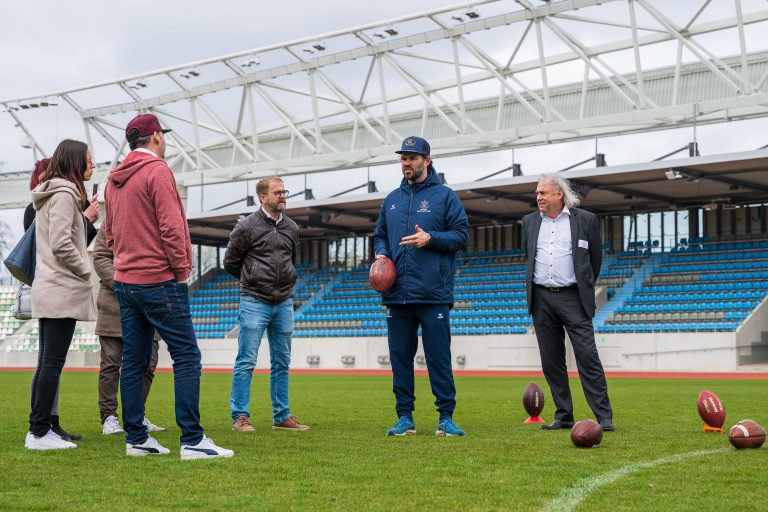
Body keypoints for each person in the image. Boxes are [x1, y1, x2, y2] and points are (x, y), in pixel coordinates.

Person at [104, 113, 233, 459]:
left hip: (126, 281)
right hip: (159, 279)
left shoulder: (112, 179)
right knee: (187, 356)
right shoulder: (157, 171)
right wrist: (181, 271)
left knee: (133, 361)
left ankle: (136, 439)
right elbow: (172, 228)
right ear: (157, 137)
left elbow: (110, 234)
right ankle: (192, 439)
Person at [373, 136, 469, 437]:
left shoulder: (445, 196)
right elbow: (379, 236)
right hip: (397, 296)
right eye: (403, 158)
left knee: (439, 358)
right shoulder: (391, 200)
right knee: (400, 358)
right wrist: (381, 255)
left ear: (426, 160)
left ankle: (445, 417)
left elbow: (462, 236)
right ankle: (405, 417)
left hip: (432, 294)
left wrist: (432, 238)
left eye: (412, 158)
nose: (406, 163)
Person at [522, 175, 614, 432]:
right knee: (551, 361)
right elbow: (529, 256)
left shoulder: (585, 219)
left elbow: (595, 260)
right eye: (537, 193)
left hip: (573, 297)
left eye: (543, 193)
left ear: (559, 194)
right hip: (541, 298)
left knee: (587, 357)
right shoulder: (529, 222)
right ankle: (564, 415)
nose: (538, 197)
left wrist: (581, 286)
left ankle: (604, 416)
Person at [26, 140, 97, 450]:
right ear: (74, 162)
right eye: (89, 160)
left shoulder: (52, 192)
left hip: (51, 285)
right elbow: (61, 243)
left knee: (47, 363)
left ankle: (42, 429)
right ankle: (39, 432)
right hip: (61, 288)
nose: (93, 166)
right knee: (52, 364)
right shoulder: (65, 194)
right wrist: (84, 270)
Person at [224, 176, 308, 432]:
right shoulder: (246, 227)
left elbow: (291, 259)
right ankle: (240, 416)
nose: (283, 196)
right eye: (277, 192)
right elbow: (230, 262)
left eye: (284, 191)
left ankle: (281, 416)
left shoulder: (292, 227)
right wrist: (252, 280)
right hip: (254, 300)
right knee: (246, 361)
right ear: (263, 197)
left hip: (284, 301)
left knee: (282, 361)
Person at [92, 224, 165, 435]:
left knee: (149, 362)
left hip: (149, 303)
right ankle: (109, 417)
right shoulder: (110, 224)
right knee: (111, 363)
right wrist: (122, 283)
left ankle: (136, 415)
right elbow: (100, 257)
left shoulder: (154, 222)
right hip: (114, 303)